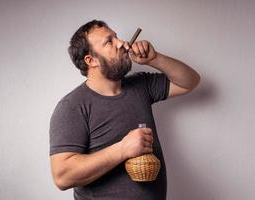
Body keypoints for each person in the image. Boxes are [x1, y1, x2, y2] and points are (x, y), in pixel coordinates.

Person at [49, 19, 201, 200]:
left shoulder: (141, 85)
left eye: (116, 37)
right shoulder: (72, 106)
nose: (122, 43)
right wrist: (122, 149)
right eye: (109, 42)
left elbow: (189, 82)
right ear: (91, 60)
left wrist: (155, 59)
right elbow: (62, 177)